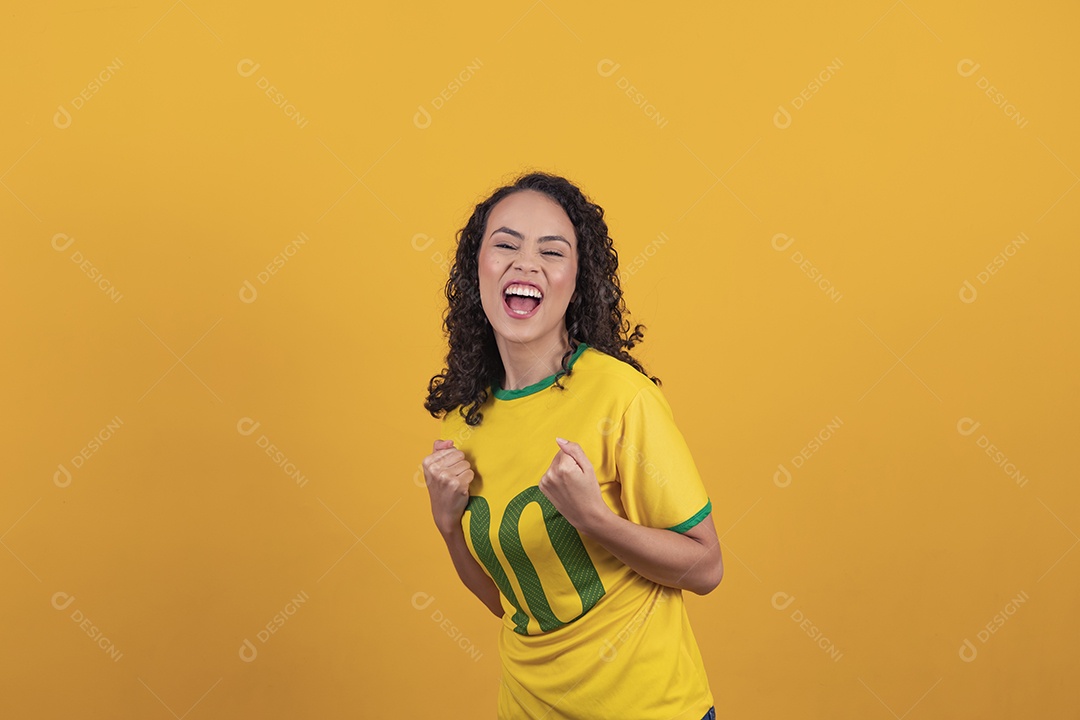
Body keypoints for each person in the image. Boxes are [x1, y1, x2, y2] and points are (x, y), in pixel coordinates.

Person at [421, 171, 722, 720]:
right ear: (477, 270)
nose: (525, 264)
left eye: (551, 251)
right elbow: (506, 602)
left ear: (576, 279)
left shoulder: (621, 397)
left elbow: (705, 568)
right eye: (505, 245)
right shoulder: (466, 421)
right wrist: (447, 527)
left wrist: (595, 519)